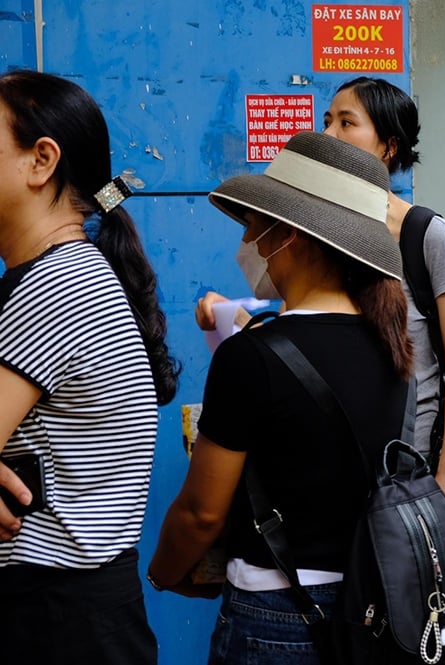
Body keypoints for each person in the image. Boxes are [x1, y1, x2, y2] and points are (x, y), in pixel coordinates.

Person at [147, 132, 413, 663]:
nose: (247, 239)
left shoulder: (250, 357)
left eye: (253, 225)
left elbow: (202, 512)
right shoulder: (393, 345)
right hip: (370, 603)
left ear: (287, 235)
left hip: (276, 612)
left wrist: (162, 573)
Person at [321, 75, 445, 664]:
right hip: (349, 472)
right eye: (329, 121)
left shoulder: (429, 235)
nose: (331, 133)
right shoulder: (321, 234)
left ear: (389, 146)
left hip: (424, 470)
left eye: (347, 123)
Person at [0, 70, 179, 664]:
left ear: (40, 161)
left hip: (54, 617)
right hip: (73, 613)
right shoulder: (66, 271)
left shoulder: (54, 285)